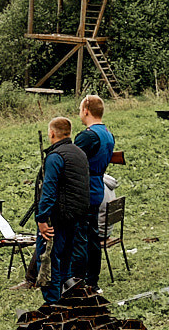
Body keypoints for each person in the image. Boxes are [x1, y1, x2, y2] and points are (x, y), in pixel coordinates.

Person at [34, 119, 91, 305]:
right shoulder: (80, 153)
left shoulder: (55, 157)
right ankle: (66, 301)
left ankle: (53, 305)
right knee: (65, 260)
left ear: (52, 133)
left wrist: (42, 218)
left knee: (49, 261)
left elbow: (48, 192)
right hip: (75, 217)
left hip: (56, 219)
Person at [72, 95, 115, 289]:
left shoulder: (87, 136)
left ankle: (80, 281)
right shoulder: (107, 133)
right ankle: (92, 281)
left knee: (80, 237)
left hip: (84, 188)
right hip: (97, 186)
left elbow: (71, 162)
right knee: (92, 236)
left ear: (86, 110)